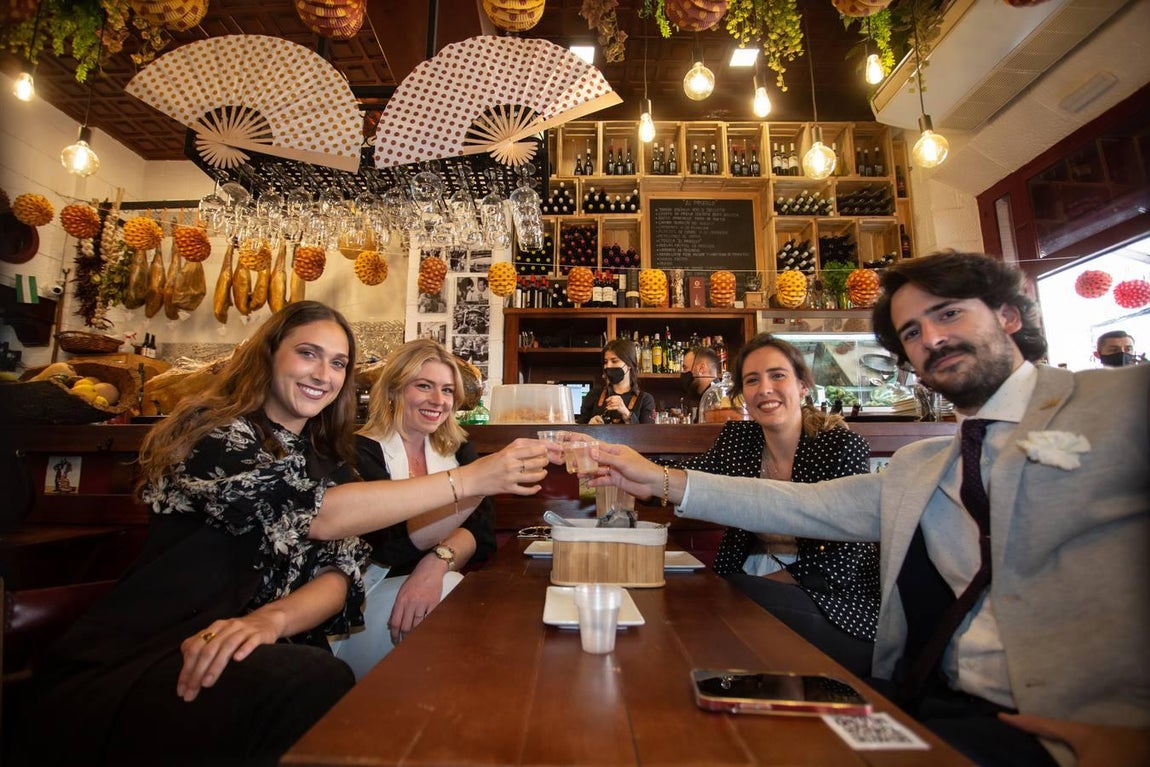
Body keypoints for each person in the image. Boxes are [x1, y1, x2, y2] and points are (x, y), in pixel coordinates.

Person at [589, 252, 1150, 767]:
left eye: (948, 314)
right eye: (912, 331)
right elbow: (801, 506)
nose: (932, 337)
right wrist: (658, 478)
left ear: (1007, 314)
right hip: (922, 697)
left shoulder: (1120, 403)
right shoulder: (922, 465)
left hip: (1074, 731)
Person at [16, 302, 551, 767]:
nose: (324, 373)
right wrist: (473, 479)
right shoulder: (213, 432)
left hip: (270, 641)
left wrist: (271, 618)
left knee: (319, 677)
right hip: (158, 645)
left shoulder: (329, 459)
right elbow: (316, 514)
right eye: (308, 354)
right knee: (312, 684)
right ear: (269, 354)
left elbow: (341, 572)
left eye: (338, 362)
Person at [673, 333, 877, 677]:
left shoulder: (841, 446)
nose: (764, 388)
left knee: (719, 609)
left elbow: (839, 566)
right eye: (752, 380)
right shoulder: (740, 439)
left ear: (802, 386)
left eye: (777, 375)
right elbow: (693, 481)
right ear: (743, 395)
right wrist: (628, 470)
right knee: (692, 606)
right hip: (751, 583)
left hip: (838, 602)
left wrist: (745, 587)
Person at [329, 339, 495, 678]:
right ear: (394, 390)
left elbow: (482, 532)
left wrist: (435, 565)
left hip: (437, 581)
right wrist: (477, 485)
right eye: (424, 386)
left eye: (447, 390)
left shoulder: (460, 449)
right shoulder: (357, 450)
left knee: (457, 594)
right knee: (454, 598)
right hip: (362, 597)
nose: (439, 400)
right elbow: (389, 545)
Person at [578, 338, 655, 424]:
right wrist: (590, 426)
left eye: (614, 361)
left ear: (629, 364)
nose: (608, 366)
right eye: (605, 362)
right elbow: (579, 430)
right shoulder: (594, 395)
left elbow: (648, 435)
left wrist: (627, 414)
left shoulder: (645, 399)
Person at [679, 345, 719, 420]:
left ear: (701, 368)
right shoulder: (703, 398)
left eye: (685, 368)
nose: (683, 373)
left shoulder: (718, 402)